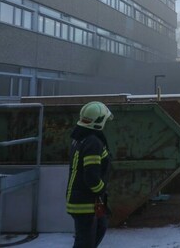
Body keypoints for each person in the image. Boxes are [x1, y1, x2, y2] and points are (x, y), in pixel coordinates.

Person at [66, 101, 113, 248]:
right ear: (99, 121)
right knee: (84, 243)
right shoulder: (93, 142)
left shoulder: (80, 137)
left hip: (82, 200)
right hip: (85, 204)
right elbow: (91, 178)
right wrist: (101, 190)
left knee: (101, 226)